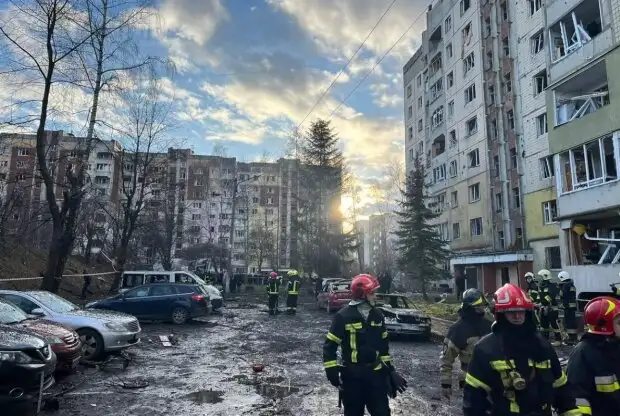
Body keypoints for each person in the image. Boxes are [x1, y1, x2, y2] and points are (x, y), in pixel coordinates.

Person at [463, 283, 580, 416]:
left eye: (521, 311)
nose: (518, 316)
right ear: (500, 314)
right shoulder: (485, 349)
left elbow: (563, 393)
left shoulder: (542, 345)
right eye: (511, 312)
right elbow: (473, 403)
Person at [323, 274, 407, 416]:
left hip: (376, 377)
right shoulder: (343, 316)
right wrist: (332, 373)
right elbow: (329, 347)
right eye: (372, 293)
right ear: (362, 295)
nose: (375, 296)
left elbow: (384, 349)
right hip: (352, 378)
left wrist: (390, 371)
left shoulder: (378, 315)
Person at [567, 296, 620, 415]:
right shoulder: (583, 353)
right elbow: (577, 397)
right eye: (619, 323)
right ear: (606, 326)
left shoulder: (615, 346)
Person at [440, 288, 492, 399]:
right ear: (469, 307)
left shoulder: (489, 324)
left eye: (483, 306)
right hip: (469, 380)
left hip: (492, 378)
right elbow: (446, 358)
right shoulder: (458, 329)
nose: (482, 310)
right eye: (479, 307)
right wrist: (446, 383)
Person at [539, 269, 562, 347]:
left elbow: (551, 296)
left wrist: (547, 304)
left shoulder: (552, 285)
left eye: (541, 277)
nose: (540, 279)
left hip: (551, 308)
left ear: (545, 276)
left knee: (554, 324)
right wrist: (541, 303)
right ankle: (545, 340)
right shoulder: (541, 286)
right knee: (544, 325)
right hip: (543, 307)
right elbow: (541, 296)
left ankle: (558, 340)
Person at [558, 271, 578, 345]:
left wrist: (561, 288)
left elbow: (564, 296)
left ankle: (571, 340)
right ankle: (573, 339)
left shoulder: (566, 286)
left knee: (569, 324)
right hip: (571, 308)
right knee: (571, 323)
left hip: (567, 307)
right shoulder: (571, 285)